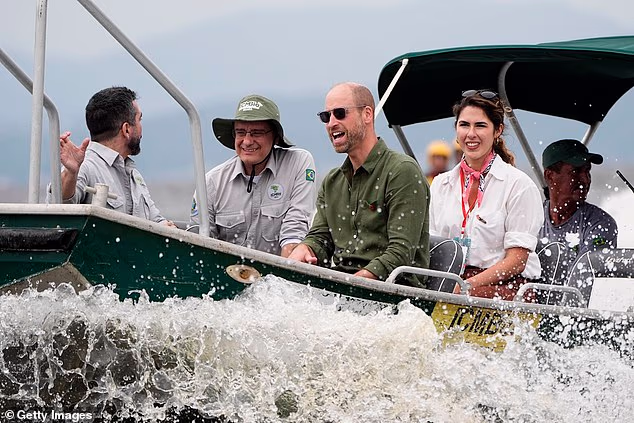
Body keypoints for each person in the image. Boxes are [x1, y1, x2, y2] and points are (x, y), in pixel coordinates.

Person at [288, 82, 430, 286]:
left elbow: (401, 252)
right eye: (326, 116)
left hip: (395, 294)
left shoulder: (402, 171)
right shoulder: (331, 181)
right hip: (344, 289)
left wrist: (352, 282)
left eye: (339, 113)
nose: (331, 123)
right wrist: (305, 248)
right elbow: (320, 238)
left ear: (367, 115)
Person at [429, 89, 543, 300]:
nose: (471, 134)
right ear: (456, 130)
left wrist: (465, 286)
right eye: (464, 125)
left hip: (505, 287)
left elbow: (517, 260)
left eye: (480, 125)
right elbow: (432, 246)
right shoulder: (440, 184)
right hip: (451, 281)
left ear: (497, 130)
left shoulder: (519, 186)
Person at [190, 94, 316, 257]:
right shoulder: (210, 183)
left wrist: (284, 278)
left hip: (279, 277)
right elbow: (200, 247)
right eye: (241, 132)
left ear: (275, 137)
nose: (247, 141)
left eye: (257, 133)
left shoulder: (298, 163)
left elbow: (294, 232)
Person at [46, 86, 174, 226]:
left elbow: (155, 220)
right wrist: (71, 173)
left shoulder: (134, 175)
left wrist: (165, 226)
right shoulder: (85, 166)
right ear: (126, 129)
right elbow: (58, 211)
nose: (141, 128)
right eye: (139, 120)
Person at [538, 139, 617, 266]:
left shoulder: (600, 223)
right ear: (549, 176)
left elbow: (586, 274)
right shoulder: (530, 218)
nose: (585, 180)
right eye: (575, 172)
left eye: (587, 171)